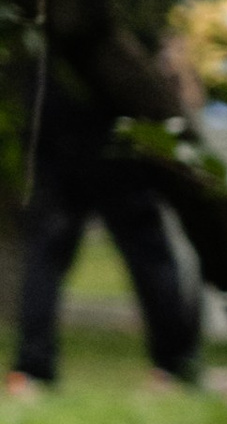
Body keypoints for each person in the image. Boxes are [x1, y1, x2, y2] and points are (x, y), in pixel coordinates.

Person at [8, 71, 201, 396]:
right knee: (145, 247)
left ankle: (31, 369)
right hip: (113, 127)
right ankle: (175, 364)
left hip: (57, 121)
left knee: (47, 250)